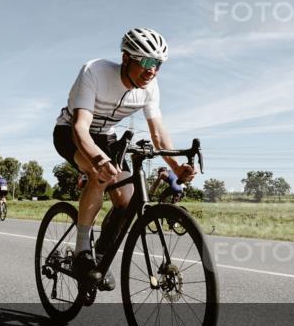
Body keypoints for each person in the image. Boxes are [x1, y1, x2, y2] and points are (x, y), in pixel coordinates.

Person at [53, 27, 196, 291]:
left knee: (127, 202)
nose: (152, 70)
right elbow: (80, 128)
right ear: (126, 58)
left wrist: (177, 167)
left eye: (158, 64)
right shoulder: (94, 71)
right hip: (71, 133)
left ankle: (100, 258)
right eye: (146, 61)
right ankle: (82, 252)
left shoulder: (150, 88)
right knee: (100, 175)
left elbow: (158, 134)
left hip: (107, 137)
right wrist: (98, 161)